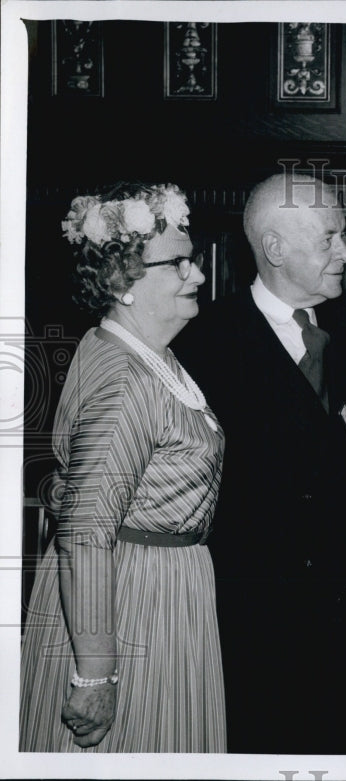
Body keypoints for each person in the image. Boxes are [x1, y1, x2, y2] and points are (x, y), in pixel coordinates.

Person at [173, 173, 346, 754]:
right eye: (330, 237)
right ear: (276, 248)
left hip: (343, 625)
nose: (345, 252)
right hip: (249, 625)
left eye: (344, 235)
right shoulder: (201, 343)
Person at [20, 183, 225, 751]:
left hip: (162, 588)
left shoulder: (146, 357)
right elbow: (84, 537)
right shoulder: (127, 381)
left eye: (196, 259)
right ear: (121, 282)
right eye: (180, 263)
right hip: (133, 599)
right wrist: (95, 675)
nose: (199, 275)